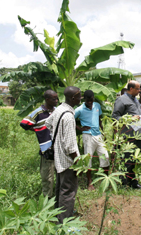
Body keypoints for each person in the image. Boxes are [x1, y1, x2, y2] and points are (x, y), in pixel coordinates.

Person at [45, 86, 81, 223]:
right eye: (79, 96)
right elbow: (71, 146)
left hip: (57, 156)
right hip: (67, 160)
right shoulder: (69, 116)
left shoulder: (59, 109)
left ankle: (58, 214)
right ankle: (65, 223)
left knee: (60, 188)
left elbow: (48, 124)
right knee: (68, 191)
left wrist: (57, 138)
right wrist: (78, 162)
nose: (80, 98)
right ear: (73, 98)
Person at [20, 90, 58, 198]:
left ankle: (57, 198)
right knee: (47, 177)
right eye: (54, 99)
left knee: (59, 174)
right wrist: (38, 130)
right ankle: (47, 200)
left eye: (57, 98)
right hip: (47, 149)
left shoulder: (56, 111)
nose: (56, 101)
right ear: (47, 100)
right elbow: (24, 123)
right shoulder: (39, 112)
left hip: (58, 148)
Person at [112, 80, 141, 189]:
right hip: (128, 136)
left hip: (138, 134)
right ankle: (124, 183)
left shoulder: (135, 100)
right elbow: (115, 117)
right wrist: (129, 119)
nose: (139, 91)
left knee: (134, 160)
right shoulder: (121, 100)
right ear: (131, 89)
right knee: (126, 160)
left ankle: (133, 183)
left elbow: (136, 114)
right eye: (137, 89)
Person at [75, 90, 110, 191]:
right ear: (84, 99)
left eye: (91, 100)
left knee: (106, 156)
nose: (90, 102)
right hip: (88, 136)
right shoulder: (79, 109)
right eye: (88, 100)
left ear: (93, 98)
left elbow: (99, 119)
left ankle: (104, 179)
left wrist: (103, 131)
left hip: (98, 135)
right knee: (88, 159)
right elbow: (70, 119)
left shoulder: (97, 105)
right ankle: (89, 182)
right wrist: (80, 128)